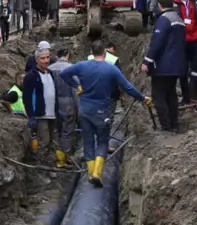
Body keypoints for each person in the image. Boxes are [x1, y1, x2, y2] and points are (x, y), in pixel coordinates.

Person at [61, 40, 147, 186]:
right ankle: (97, 173)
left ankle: (89, 173)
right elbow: (128, 87)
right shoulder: (111, 69)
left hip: (84, 110)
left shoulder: (82, 65)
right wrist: (143, 98)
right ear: (105, 53)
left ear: (91, 52)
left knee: (88, 141)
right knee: (102, 141)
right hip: (102, 111)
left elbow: (64, 74)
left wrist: (77, 85)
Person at [141, 0, 186, 132]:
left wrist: (147, 61)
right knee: (171, 94)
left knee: (159, 96)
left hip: (163, 66)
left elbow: (157, 42)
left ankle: (166, 127)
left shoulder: (163, 19)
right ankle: (174, 124)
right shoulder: (178, 18)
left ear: (160, 5)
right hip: (177, 65)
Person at [24, 48, 64, 166]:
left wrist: (57, 110)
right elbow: (27, 97)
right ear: (37, 60)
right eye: (43, 58)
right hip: (40, 114)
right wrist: (31, 115)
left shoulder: (50, 74)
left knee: (51, 141)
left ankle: (48, 164)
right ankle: (41, 167)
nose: (46, 60)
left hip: (52, 113)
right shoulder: (32, 76)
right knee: (44, 141)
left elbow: (53, 92)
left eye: (47, 57)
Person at [47, 46, 78, 164]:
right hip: (68, 103)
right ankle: (64, 157)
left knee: (57, 129)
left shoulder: (49, 69)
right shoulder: (72, 68)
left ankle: (57, 155)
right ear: (68, 54)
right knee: (67, 130)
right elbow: (75, 89)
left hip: (53, 103)